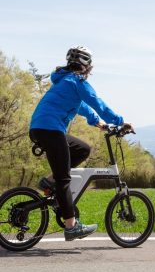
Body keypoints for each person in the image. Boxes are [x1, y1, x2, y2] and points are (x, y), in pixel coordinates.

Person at [29, 46, 134, 241]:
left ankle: (50, 181)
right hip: (50, 129)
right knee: (64, 180)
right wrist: (120, 121)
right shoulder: (77, 81)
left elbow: (83, 106)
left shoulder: (66, 81)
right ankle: (71, 226)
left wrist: (98, 123)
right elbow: (97, 102)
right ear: (87, 66)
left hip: (42, 128)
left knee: (82, 149)